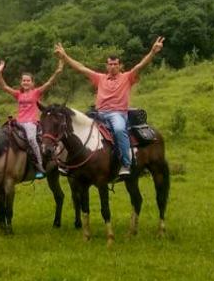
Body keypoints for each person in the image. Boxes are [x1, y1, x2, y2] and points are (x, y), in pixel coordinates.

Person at [54, 36, 164, 177]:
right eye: (110, 64)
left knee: (119, 129)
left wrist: (153, 52)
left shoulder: (127, 77)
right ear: (107, 66)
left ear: (120, 65)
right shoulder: (99, 78)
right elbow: (81, 68)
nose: (112, 66)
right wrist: (65, 56)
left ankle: (126, 163)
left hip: (117, 114)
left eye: (115, 64)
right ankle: (67, 163)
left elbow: (140, 66)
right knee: (74, 127)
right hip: (98, 113)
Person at [0, 59, 63, 177]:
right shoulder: (18, 94)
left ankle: (39, 164)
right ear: (21, 82)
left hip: (31, 122)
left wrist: (57, 71)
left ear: (32, 83)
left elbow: (49, 83)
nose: (25, 82)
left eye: (28, 80)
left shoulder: (36, 92)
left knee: (31, 139)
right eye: (24, 80)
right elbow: (4, 87)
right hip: (19, 122)